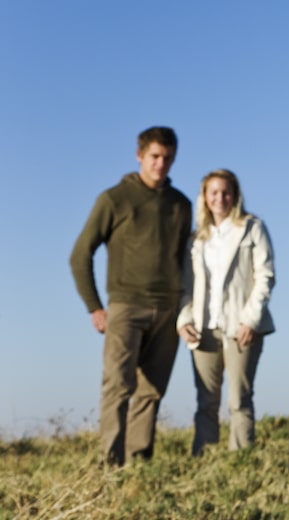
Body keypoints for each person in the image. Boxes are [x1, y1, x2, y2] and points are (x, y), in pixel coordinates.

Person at [70, 126, 192, 466]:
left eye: (168, 158)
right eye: (154, 156)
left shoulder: (181, 204)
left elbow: (185, 261)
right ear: (140, 155)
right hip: (125, 306)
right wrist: (94, 306)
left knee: (151, 390)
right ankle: (109, 463)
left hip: (167, 309)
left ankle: (139, 462)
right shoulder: (113, 199)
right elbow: (80, 254)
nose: (161, 164)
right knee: (118, 386)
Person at [176, 169, 275, 455]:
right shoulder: (196, 239)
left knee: (239, 399)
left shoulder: (252, 227)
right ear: (205, 198)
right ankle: (203, 458)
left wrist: (250, 320)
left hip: (242, 327)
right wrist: (183, 320)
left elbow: (265, 276)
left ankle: (241, 458)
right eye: (214, 192)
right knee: (205, 401)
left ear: (235, 194)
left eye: (225, 192)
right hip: (203, 328)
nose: (220, 198)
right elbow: (185, 286)